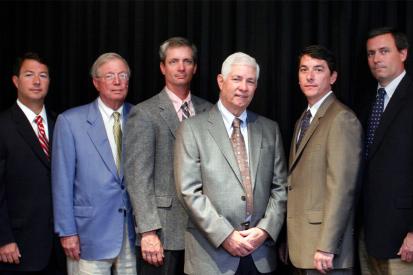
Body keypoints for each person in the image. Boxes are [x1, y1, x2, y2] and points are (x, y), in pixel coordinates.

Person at [174, 52, 287, 275]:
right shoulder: (192, 129)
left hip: (259, 254)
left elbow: (280, 188)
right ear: (220, 81)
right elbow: (188, 191)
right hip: (211, 258)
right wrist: (225, 235)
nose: (243, 87)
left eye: (250, 81)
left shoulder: (269, 129)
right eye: (237, 79)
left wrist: (264, 230)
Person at [124, 36, 212, 274]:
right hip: (163, 233)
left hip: (206, 233)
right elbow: (137, 178)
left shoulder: (210, 110)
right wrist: (148, 231)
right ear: (163, 67)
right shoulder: (144, 113)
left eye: (187, 61)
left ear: (195, 68)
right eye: (174, 62)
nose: (181, 67)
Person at [52, 53, 136, 274]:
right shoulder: (70, 121)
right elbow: (62, 182)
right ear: (95, 82)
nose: (117, 81)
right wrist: (67, 232)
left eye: (122, 75)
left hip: (132, 234)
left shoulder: (140, 117)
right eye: (109, 76)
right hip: (88, 234)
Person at [287, 45, 362, 274]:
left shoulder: (341, 118)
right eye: (304, 69)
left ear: (333, 76)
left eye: (318, 69)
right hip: (302, 246)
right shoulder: (303, 119)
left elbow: (342, 188)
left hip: (325, 252)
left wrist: (327, 246)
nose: (309, 76)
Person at [0, 52, 66, 274]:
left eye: (43, 75)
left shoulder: (62, 123)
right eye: (29, 75)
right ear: (16, 81)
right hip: (17, 245)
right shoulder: (3, 126)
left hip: (60, 246)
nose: (37, 81)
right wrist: (4, 239)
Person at [360, 27, 413, 275]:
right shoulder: (367, 100)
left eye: (384, 51)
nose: (376, 59)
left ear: (403, 53)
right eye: (371, 53)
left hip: (404, 240)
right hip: (368, 237)